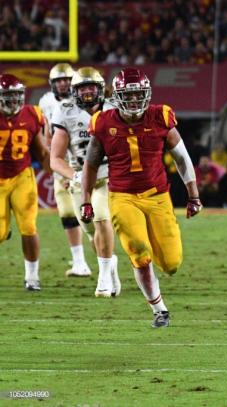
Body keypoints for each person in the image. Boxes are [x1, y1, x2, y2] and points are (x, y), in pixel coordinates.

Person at [81, 67, 202, 328]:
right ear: (118, 96)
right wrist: (86, 199)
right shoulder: (103, 122)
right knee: (138, 250)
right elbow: (90, 165)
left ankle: (156, 273)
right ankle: (159, 309)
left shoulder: (160, 116)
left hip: (158, 196)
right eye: (129, 95)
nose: (134, 100)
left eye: (139, 95)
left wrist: (193, 195)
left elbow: (182, 158)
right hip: (123, 196)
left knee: (171, 264)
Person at [50, 67, 120, 298]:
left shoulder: (114, 109)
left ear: (101, 89)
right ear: (74, 91)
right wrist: (76, 176)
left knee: (101, 217)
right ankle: (110, 264)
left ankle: (103, 279)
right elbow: (56, 159)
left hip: (108, 175)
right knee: (91, 231)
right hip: (80, 178)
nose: (88, 92)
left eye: (91, 87)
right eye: (82, 88)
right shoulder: (65, 111)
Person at [39, 63, 92, 277]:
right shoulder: (46, 102)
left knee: (92, 214)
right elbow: (46, 134)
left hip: (85, 161)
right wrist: (51, 158)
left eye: (66, 79)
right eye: (58, 80)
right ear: (52, 84)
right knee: (68, 213)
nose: (63, 84)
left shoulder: (85, 100)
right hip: (62, 164)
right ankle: (79, 262)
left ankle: (103, 256)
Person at [0, 74, 49, 291]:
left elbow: (41, 151)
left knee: (29, 227)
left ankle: (32, 277)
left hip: (22, 176)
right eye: (8, 96)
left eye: (16, 95)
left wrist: (57, 177)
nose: (13, 101)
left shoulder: (32, 113)